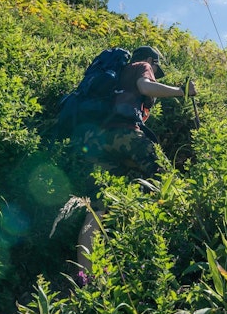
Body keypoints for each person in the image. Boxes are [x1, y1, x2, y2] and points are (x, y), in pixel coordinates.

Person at [76, 45, 197, 274]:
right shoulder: (141, 65)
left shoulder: (115, 75)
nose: (155, 72)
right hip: (126, 134)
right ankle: (179, 249)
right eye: (156, 68)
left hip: (99, 142)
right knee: (167, 181)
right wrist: (182, 91)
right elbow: (145, 86)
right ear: (151, 60)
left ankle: (85, 275)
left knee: (97, 207)